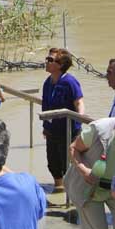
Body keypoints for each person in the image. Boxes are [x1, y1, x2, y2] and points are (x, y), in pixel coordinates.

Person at [41, 47, 86, 192]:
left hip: (68, 130)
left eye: (50, 60)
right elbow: (46, 106)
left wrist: (79, 123)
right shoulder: (48, 82)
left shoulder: (70, 82)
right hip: (51, 130)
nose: (46, 62)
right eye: (47, 59)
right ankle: (59, 189)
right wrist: (45, 127)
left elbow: (79, 102)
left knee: (67, 164)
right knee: (53, 164)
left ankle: (72, 194)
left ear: (60, 65)